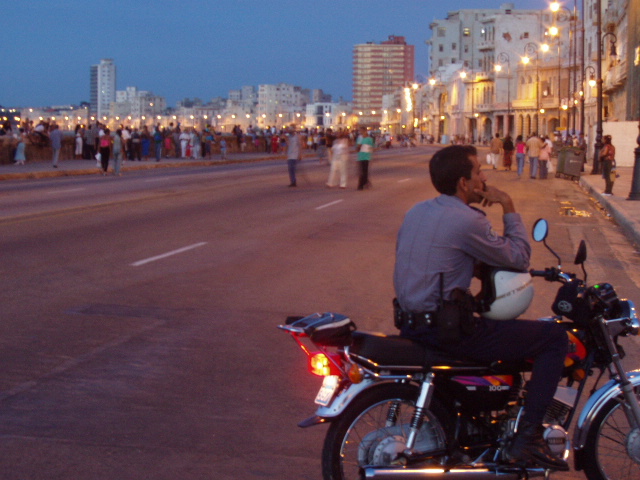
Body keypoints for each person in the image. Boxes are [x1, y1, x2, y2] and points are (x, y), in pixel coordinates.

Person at [393, 145, 569, 471]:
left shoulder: (417, 211)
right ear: (464, 183)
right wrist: (508, 204)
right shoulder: (466, 220)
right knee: (553, 338)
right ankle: (526, 438)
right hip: (444, 332)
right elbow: (518, 257)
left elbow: (443, 260)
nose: (484, 178)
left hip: (411, 324)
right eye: (478, 172)